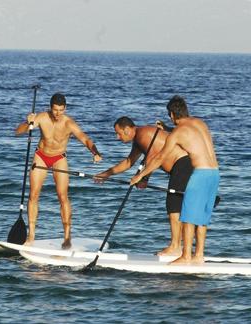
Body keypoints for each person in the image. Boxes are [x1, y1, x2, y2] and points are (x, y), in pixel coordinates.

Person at [131, 95, 219, 264]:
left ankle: (186, 256)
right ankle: (199, 256)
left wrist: (140, 176)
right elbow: (191, 138)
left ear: (172, 115)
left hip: (199, 174)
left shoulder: (177, 133)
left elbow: (158, 158)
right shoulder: (200, 123)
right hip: (214, 173)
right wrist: (167, 129)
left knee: (188, 217)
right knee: (201, 217)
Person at [95, 116, 194, 256]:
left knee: (173, 206)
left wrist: (144, 177)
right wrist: (106, 174)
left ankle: (175, 246)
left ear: (128, 130)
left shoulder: (144, 134)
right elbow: (129, 162)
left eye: (118, 133)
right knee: (178, 206)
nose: (117, 137)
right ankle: (185, 249)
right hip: (180, 168)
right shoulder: (138, 139)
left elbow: (153, 157)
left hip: (182, 164)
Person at [16, 93, 102, 249]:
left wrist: (95, 152)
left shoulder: (69, 123)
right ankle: (31, 235)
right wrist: (26, 122)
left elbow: (85, 138)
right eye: (55, 110)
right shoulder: (41, 117)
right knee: (34, 194)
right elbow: (18, 131)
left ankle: (67, 237)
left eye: (61, 110)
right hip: (41, 156)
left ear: (65, 108)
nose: (58, 113)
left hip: (59, 158)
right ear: (51, 108)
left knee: (63, 196)